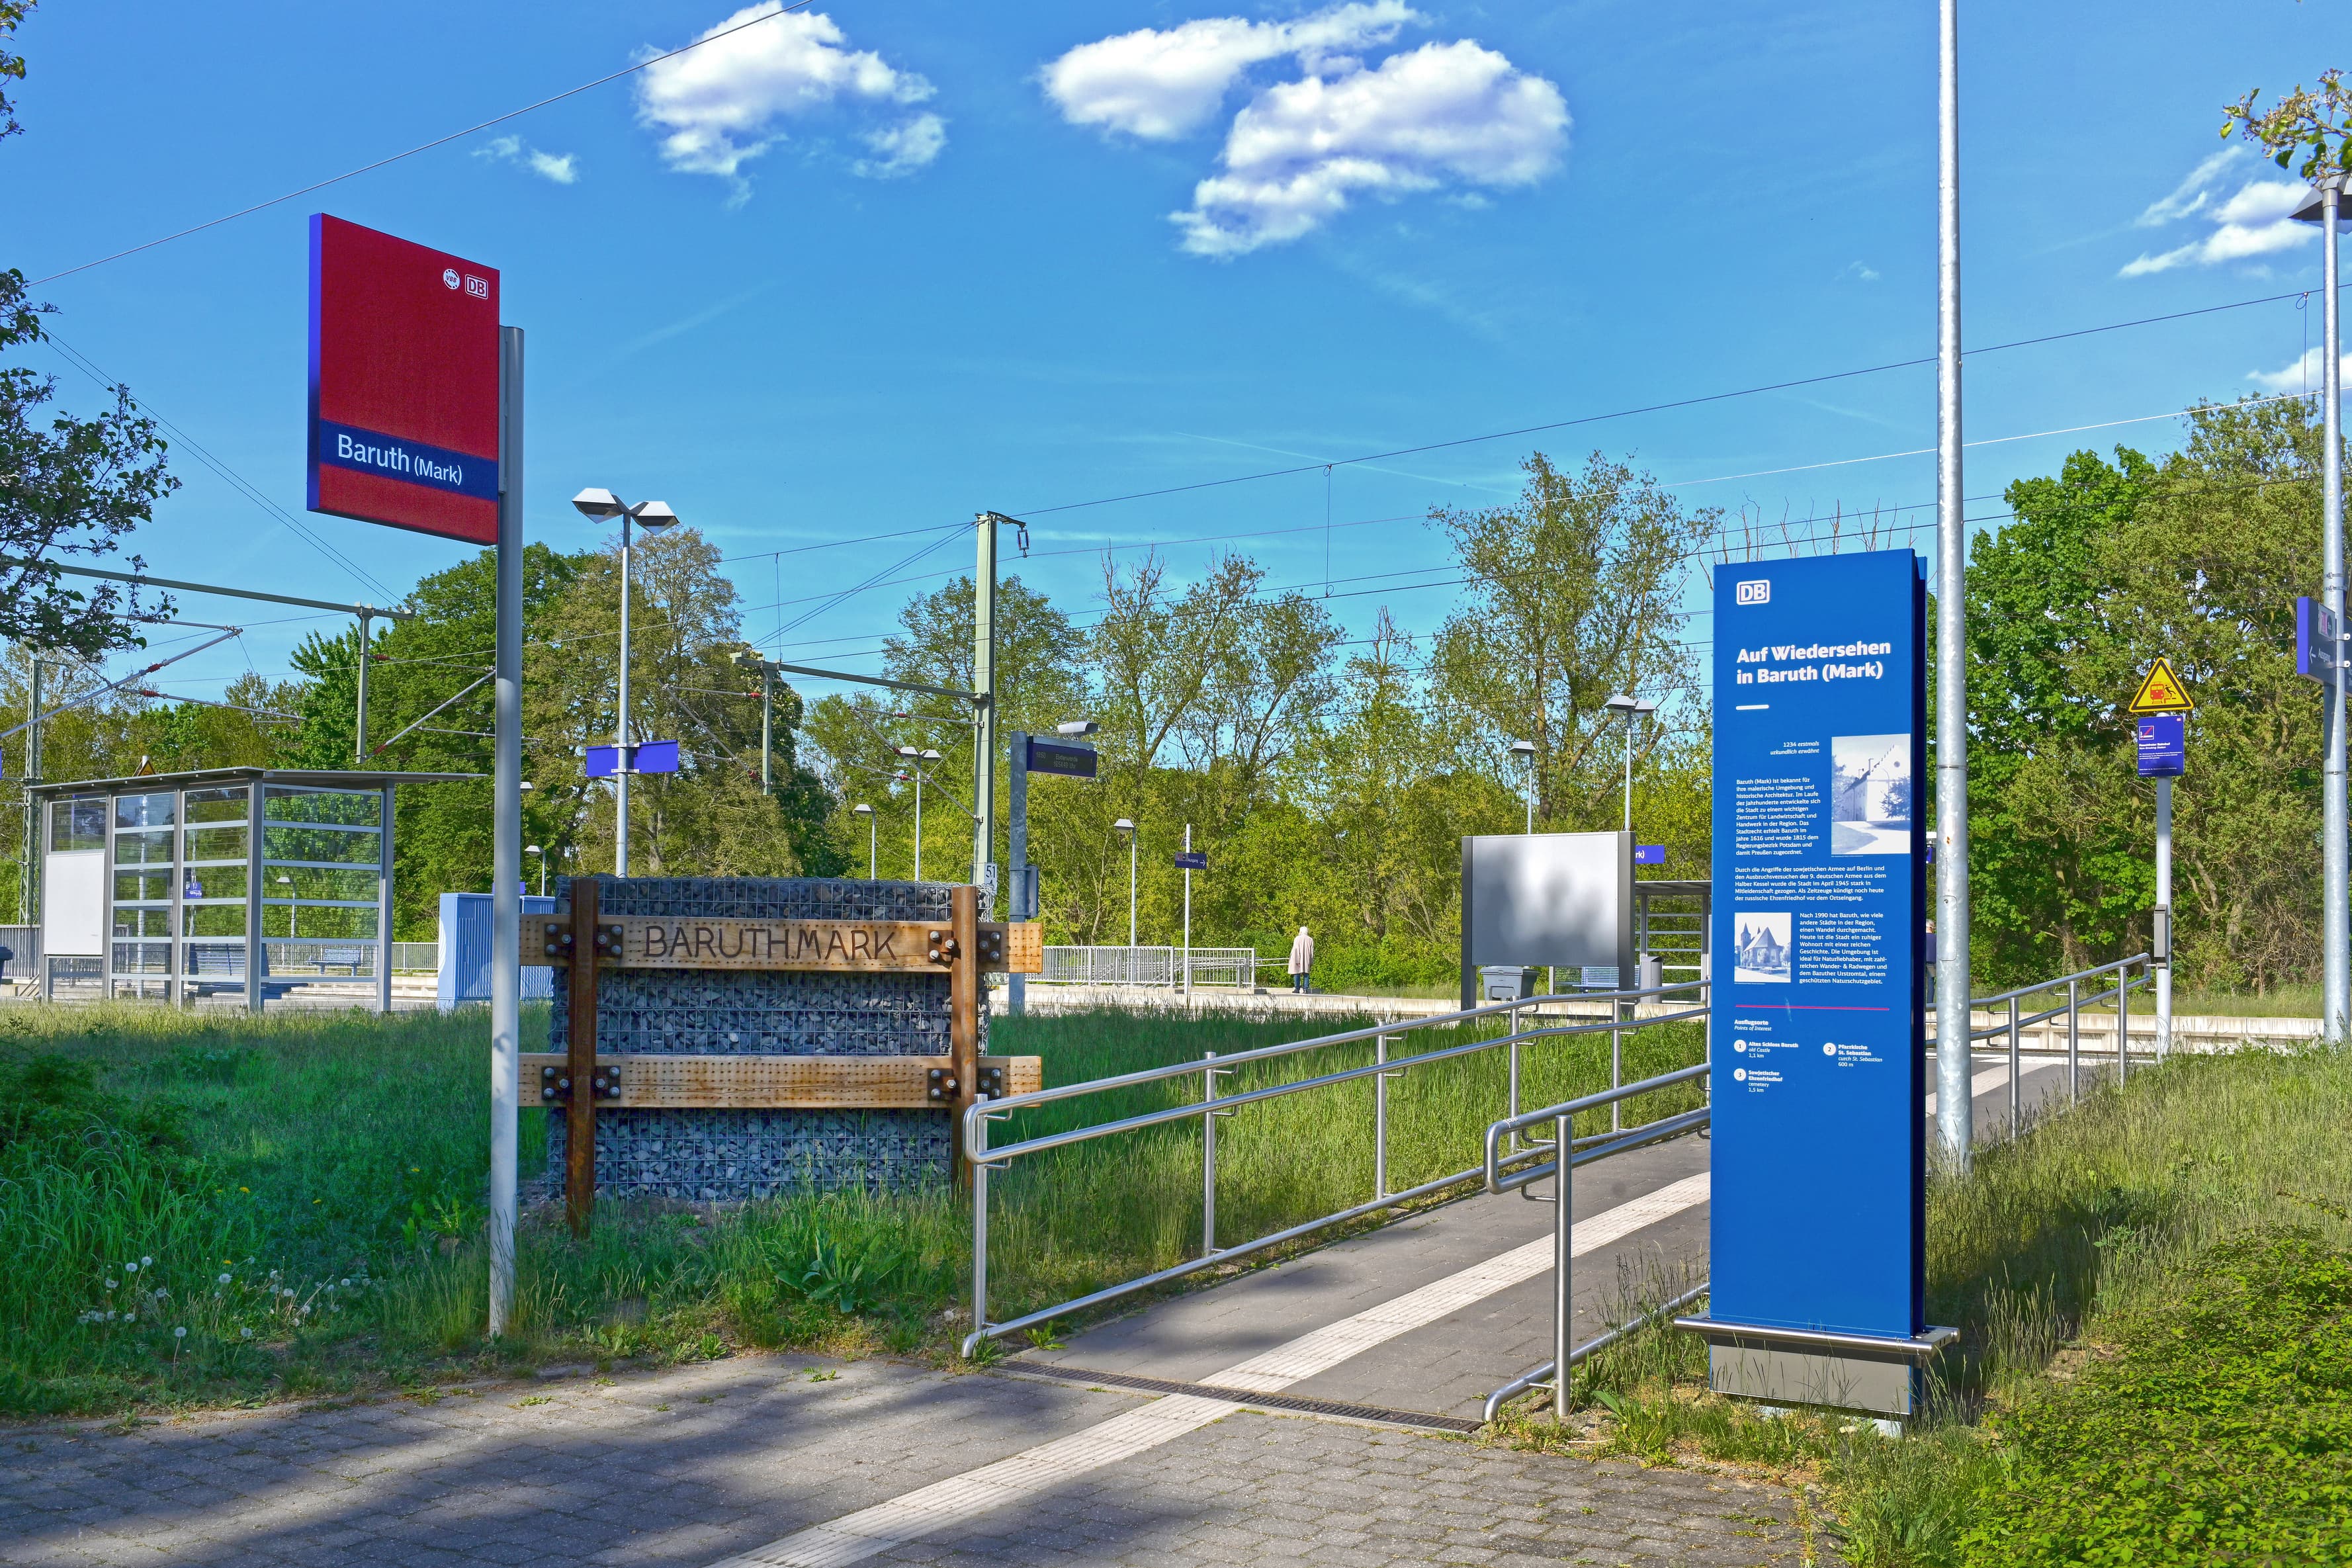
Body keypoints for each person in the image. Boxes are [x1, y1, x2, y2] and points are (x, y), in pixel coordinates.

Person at [1287, 926, 1314, 994]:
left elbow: (1295, 950)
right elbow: (1312, 952)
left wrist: (1297, 960)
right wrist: (1311, 961)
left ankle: (1297, 989)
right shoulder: (1310, 940)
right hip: (1307, 958)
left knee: (1296, 973)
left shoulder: (1297, 939)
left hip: (1297, 957)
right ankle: (1306, 989)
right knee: (1306, 973)